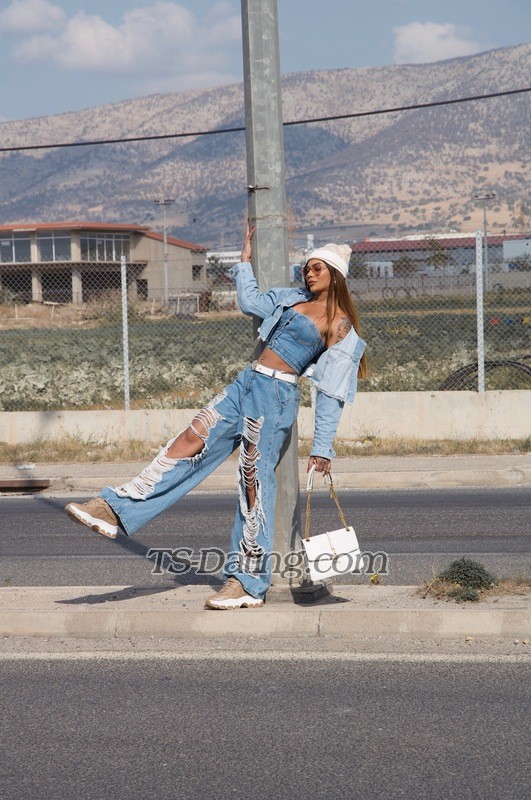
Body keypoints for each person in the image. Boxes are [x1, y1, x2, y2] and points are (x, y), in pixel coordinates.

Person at [65, 224, 367, 610]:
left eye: (317, 268)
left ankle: (247, 581)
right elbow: (251, 302)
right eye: (306, 267)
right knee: (190, 439)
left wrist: (323, 447)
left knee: (252, 482)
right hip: (246, 383)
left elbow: (332, 393)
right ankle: (115, 508)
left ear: (336, 274)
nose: (309, 273)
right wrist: (244, 261)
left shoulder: (340, 325)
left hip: (275, 398)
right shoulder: (291, 298)